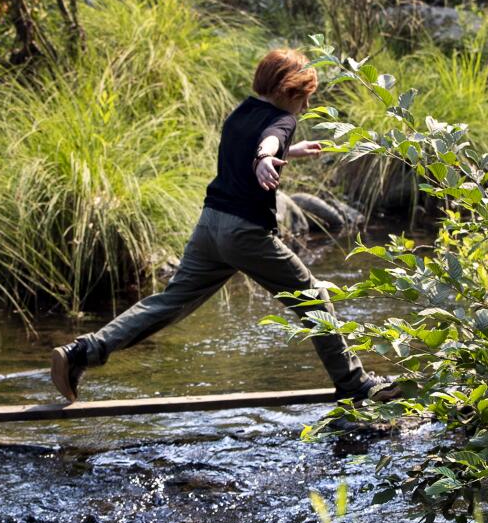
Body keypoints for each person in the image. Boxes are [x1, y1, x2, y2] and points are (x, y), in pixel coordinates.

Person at [50, 47, 394, 404]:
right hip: (244, 233)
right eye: (304, 99)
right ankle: (353, 382)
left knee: (169, 302)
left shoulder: (240, 113)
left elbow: (257, 143)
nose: (304, 108)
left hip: (209, 227)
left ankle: (82, 351)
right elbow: (269, 139)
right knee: (314, 297)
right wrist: (267, 155)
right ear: (287, 92)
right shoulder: (284, 120)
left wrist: (289, 151)